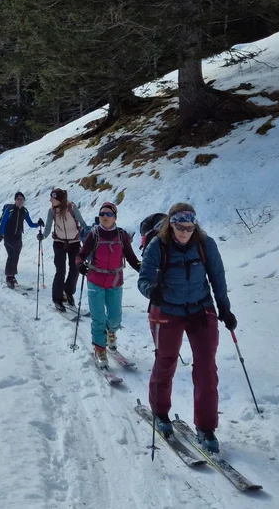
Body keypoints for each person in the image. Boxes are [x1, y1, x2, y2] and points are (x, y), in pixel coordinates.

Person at [137, 204, 235, 454]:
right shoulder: (157, 246)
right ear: (171, 224)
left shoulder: (205, 244)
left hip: (201, 309)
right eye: (179, 227)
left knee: (206, 366)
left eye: (189, 228)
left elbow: (218, 277)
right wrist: (151, 290)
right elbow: (144, 278)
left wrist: (224, 309)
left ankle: (206, 427)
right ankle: (160, 412)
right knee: (166, 360)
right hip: (167, 309)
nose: (184, 232)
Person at [76, 201, 141, 368]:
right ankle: (99, 348)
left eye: (109, 214)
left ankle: (110, 333)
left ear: (115, 217)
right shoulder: (94, 234)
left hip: (115, 282)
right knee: (98, 319)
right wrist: (79, 263)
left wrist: (143, 269)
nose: (105, 217)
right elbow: (82, 254)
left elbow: (132, 257)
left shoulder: (122, 235)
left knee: (114, 317)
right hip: (95, 281)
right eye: (102, 214)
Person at [42, 188, 88, 312]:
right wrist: (43, 236)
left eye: (53, 198)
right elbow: (47, 227)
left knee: (75, 269)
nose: (50, 200)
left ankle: (68, 292)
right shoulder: (51, 211)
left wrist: (88, 235)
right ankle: (57, 299)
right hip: (59, 242)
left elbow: (82, 223)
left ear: (59, 199)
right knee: (60, 270)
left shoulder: (71, 208)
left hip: (74, 242)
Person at [0, 191, 41, 288]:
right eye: (18, 199)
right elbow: (3, 222)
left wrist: (38, 224)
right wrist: (1, 234)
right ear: (15, 200)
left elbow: (30, 223)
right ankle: (9, 277)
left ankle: (12, 276)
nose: (20, 201)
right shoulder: (10, 209)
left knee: (16, 256)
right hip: (8, 236)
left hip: (18, 237)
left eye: (22, 199)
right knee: (11, 255)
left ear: (24, 200)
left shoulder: (24, 211)